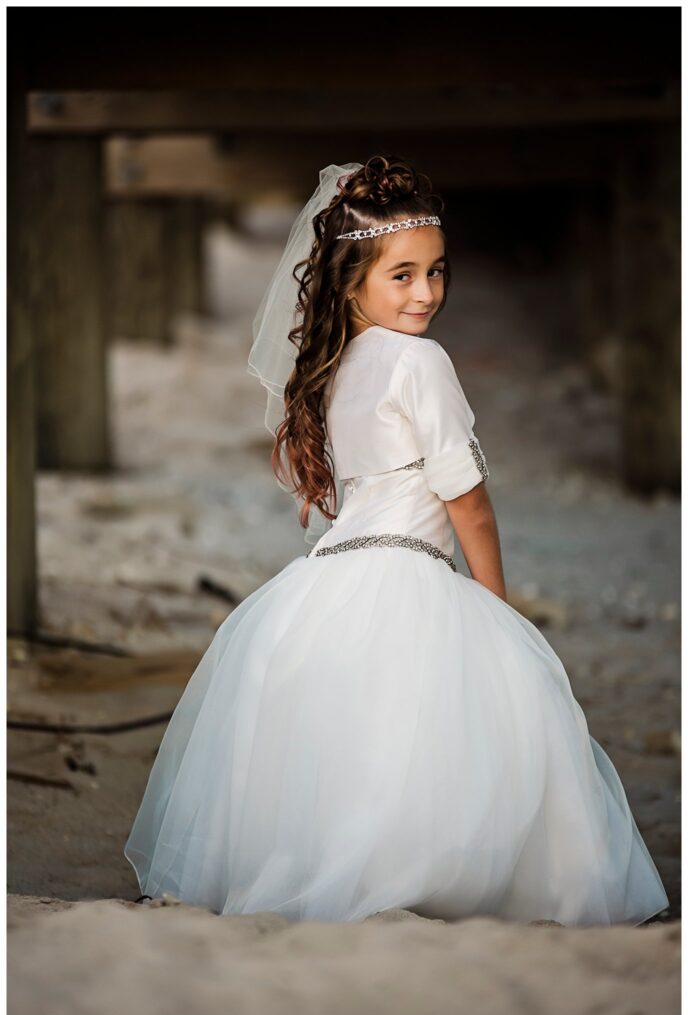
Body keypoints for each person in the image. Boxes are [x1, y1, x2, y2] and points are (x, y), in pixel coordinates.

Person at [124, 155, 670, 926]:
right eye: (403, 275)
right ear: (353, 284)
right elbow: (467, 500)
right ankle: (434, 885)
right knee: (458, 735)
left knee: (351, 743)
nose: (426, 294)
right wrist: (495, 606)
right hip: (410, 571)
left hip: (328, 578)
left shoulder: (337, 366)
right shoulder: (421, 361)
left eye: (437, 272)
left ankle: (339, 879)